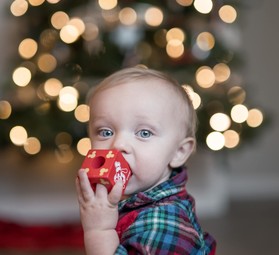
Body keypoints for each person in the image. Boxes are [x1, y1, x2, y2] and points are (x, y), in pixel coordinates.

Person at [76, 66, 216, 255]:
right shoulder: (138, 199)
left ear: (178, 152)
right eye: (105, 132)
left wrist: (99, 231)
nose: (118, 145)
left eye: (144, 133)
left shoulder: (164, 224)